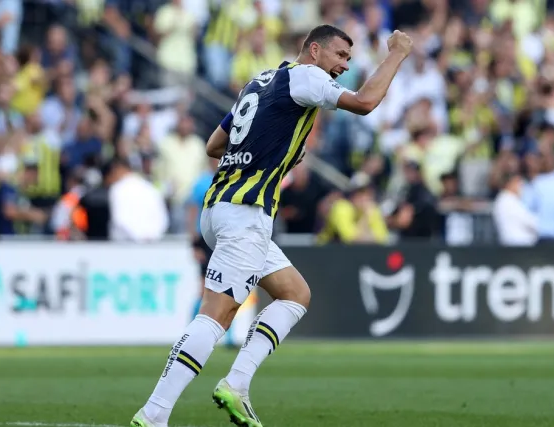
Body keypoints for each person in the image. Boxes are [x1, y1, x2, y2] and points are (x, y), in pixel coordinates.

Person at [131, 24, 413, 427]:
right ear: (314, 51)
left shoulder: (262, 80)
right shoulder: (307, 76)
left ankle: (237, 384)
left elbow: (214, 145)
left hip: (221, 206)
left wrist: (272, 148)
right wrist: (397, 53)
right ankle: (154, 414)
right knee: (217, 315)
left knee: (295, 294)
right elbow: (366, 102)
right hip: (244, 213)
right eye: (340, 56)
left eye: (349, 59)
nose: (344, 66)